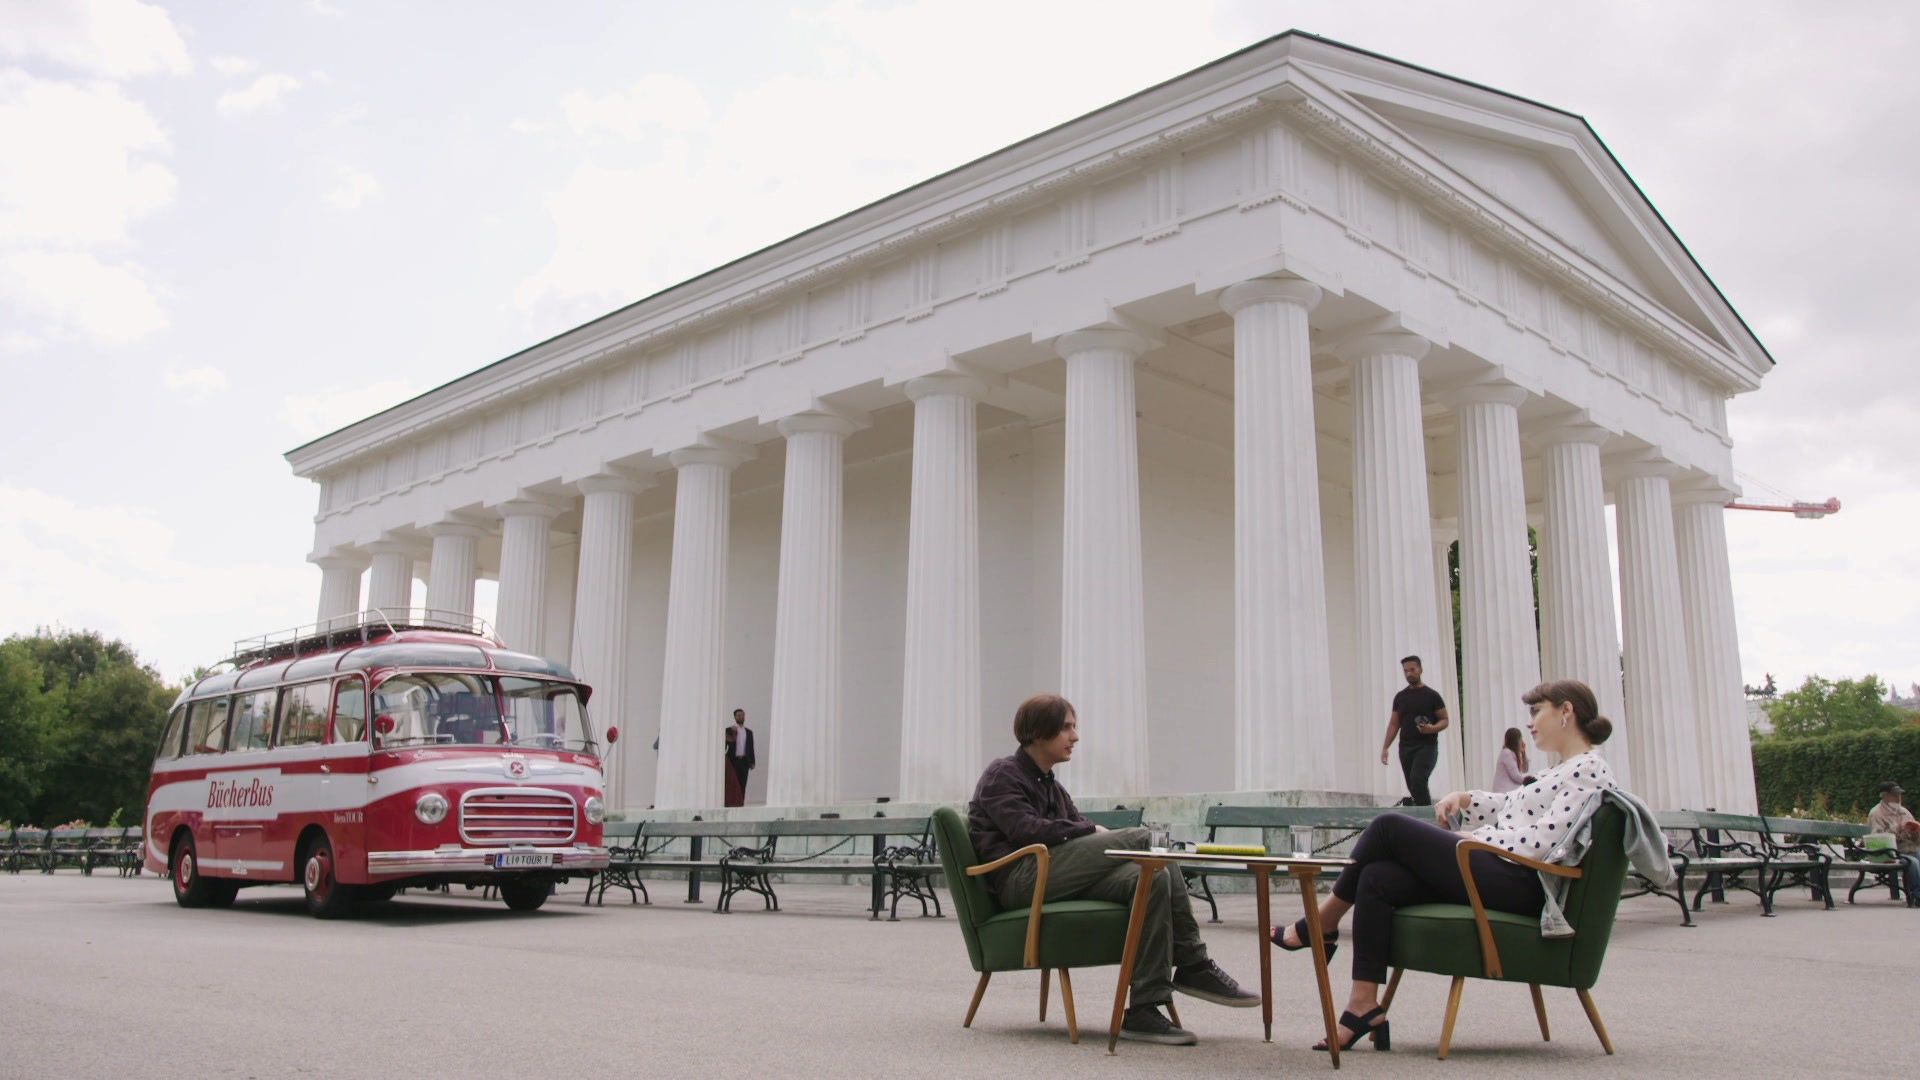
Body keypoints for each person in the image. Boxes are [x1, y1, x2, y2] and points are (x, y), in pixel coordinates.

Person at [1277, 679, 1666, 1053]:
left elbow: (1544, 843)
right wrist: (1464, 798)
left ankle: (1320, 924)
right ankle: (1363, 1006)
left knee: (1387, 827)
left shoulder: (1589, 770)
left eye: (1537, 711)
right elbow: (1510, 806)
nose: (1529, 722)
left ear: (1566, 711)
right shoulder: (1558, 771)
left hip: (1522, 883)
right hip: (1496, 870)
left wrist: (1471, 841)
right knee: (1379, 879)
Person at [968, 693, 1258, 1045]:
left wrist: (1088, 832)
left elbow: (1075, 825)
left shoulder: (1052, 786)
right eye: (1066, 728)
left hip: (1055, 875)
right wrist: (1091, 832)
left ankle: (1144, 1010)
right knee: (1144, 838)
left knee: (1153, 878)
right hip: (1021, 880)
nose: (1075, 737)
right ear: (1039, 732)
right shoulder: (1003, 774)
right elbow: (1025, 830)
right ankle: (1194, 963)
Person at [1379, 655, 1447, 805]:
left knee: (1418, 779)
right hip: (1405, 747)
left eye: (1412, 669)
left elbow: (1444, 720)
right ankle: (1423, 814)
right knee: (1412, 786)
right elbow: (1394, 724)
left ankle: (1427, 818)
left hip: (1426, 746)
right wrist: (1385, 747)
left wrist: (1432, 728)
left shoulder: (1432, 695)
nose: (1409, 673)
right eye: (1405, 671)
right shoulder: (1400, 697)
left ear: (1420, 670)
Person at [1865, 780, 1920, 908]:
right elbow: (1877, 839)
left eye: (1899, 794)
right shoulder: (1876, 813)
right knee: (1913, 863)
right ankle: (1918, 895)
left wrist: (1915, 833)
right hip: (1890, 852)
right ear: (1884, 796)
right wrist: (1897, 830)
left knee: (1916, 856)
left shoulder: (1904, 812)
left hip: (1910, 848)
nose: (1898, 797)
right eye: (1894, 794)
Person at [722, 708, 755, 808]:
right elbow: (724, 745)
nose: (741, 717)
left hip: (745, 761)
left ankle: (741, 804)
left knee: (743, 783)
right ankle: (732, 803)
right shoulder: (729, 730)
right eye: (738, 715)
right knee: (732, 783)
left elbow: (751, 747)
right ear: (735, 717)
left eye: (742, 715)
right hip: (733, 761)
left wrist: (752, 761)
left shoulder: (749, 732)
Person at [1492, 726, 1532, 793]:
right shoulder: (1506, 753)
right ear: (1516, 740)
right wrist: (1529, 781)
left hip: (1510, 790)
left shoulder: (1512, 753)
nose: (1522, 741)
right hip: (1504, 791)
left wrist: (1523, 752)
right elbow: (1515, 776)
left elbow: (1525, 769)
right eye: (1520, 739)